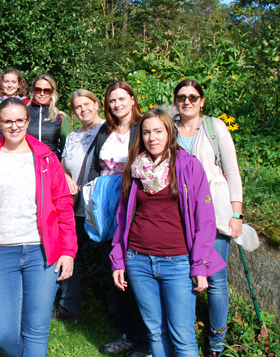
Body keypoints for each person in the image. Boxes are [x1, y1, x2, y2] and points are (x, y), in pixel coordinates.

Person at [110, 109, 225, 357]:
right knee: (155, 333)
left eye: (158, 131)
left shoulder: (189, 166)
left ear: (169, 133)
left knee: (182, 338)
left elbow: (205, 221)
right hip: (138, 261)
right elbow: (122, 218)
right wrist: (118, 260)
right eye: (147, 132)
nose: (152, 138)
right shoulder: (135, 168)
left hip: (178, 263)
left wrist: (199, 266)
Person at [0, 97, 77, 357]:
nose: (14, 126)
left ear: (28, 121)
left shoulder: (46, 158)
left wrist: (68, 251)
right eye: (7, 121)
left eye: (20, 120)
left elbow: (63, 205)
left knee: (36, 329)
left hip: (42, 253)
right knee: (2, 334)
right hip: (0, 252)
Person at [172, 79, 244, 357]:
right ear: (176, 101)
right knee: (182, 276)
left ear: (202, 101)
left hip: (212, 216)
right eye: (181, 97)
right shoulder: (169, 129)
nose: (187, 101)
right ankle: (184, 338)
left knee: (215, 279)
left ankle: (216, 344)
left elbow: (232, 171)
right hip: (177, 217)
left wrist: (236, 213)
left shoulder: (215, 128)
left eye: (193, 97)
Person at [93, 81, 151, 356]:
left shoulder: (144, 128)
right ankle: (128, 334)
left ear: (132, 98)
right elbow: (94, 166)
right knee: (116, 270)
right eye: (112, 101)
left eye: (121, 99)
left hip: (134, 206)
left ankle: (147, 341)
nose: (117, 105)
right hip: (106, 208)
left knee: (136, 272)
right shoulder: (105, 130)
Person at [53, 89, 105, 322]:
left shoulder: (109, 130)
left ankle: (113, 311)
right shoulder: (73, 136)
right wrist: (66, 178)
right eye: (78, 107)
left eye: (87, 104)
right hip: (74, 205)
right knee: (65, 250)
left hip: (99, 207)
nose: (83, 109)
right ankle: (68, 306)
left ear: (96, 105)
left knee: (108, 256)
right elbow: (63, 166)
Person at [25, 74, 67, 158]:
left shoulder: (60, 117)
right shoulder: (23, 113)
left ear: (52, 92)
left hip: (52, 164)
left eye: (46, 90)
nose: (42, 93)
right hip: (28, 163)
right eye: (38, 90)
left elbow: (66, 148)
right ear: (33, 90)